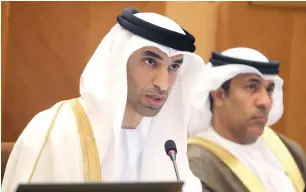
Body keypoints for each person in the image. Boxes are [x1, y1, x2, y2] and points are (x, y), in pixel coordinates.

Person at [2, 8, 205, 192]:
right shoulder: (57, 132)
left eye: (174, 67)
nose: (163, 83)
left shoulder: (168, 145)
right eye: (150, 61)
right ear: (119, 61)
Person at [187, 47, 306, 192]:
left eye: (269, 89)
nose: (265, 101)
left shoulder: (288, 149)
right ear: (219, 96)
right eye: (252, 87)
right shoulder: (196, 163)